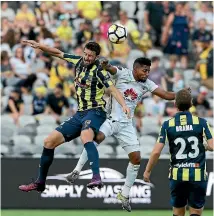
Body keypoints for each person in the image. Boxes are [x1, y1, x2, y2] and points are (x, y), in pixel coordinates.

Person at [66, 57, 177, 212]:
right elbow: (111, 68)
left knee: (136, 158)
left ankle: (124, 194)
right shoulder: (123, 73)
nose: (147, 73)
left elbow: (165, 94)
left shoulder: (147, 84)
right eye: (144, 70)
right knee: (95, 139)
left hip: (126, 124)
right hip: (110, 118)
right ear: (135, 68)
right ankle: (76, 171)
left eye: (148, 71)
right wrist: (105, 65)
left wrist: (181, 94)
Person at [19, 40, 130, 192]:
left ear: (96, 56)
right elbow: (57, 52)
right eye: (85, 54)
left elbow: (113, 90)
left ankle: (96, 177)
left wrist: (123, 105)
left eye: (90, 56)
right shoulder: (77, 61)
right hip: (80, 113)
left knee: (86, 137)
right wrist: (40, 46)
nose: (86, 57)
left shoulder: (100, 71)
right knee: (48, 142)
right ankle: (40, 183)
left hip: (96, 111)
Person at [143, 89, 213, 216]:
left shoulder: (167, 124)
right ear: (191, 104)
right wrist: (205, 147)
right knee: (196, 211)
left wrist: (147, 171)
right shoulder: (202, 123)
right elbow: (212, 146)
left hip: (177, 175)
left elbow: (155, 152)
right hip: (197, 174)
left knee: (178, 211)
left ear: (175, 104)